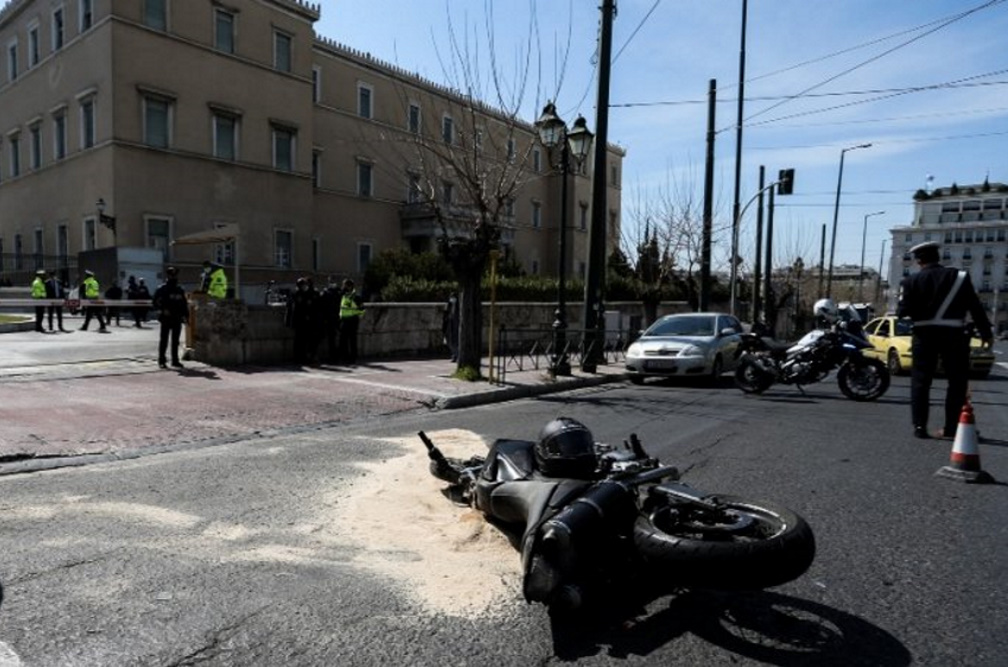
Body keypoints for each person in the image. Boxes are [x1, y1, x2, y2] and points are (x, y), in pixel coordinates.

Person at [897, 241, 993, 439]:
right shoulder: (959, 277)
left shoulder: (911, 282)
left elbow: (902, 312)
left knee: (921, 382)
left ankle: (920, 427)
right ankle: (951, 428)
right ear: (939, 258)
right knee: (957, 382)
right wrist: (986, 334)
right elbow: (975, 307)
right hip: (954, 335)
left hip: (924, 335)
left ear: (918, 261)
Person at [152, 266, 188, 369]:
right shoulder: (162, 289)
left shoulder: (179, 289)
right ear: (168, 275)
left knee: (175, 341)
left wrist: (186, 316)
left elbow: (183, 304)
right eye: (172, 275)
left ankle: (175, 360)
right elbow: (154, 302)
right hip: (166, 318)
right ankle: (162, 361)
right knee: (164, 340)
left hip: (177, 318)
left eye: (175, 275)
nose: (174, 277)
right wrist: (162, 310)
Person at [286, 277, 319, 364]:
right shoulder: (297, 294)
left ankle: (301, 357)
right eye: (304, 285)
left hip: (302, 321)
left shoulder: (297, 293)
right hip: (300, 321)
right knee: (300, 341)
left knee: (302, 341)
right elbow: (299, 308)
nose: (305, 286)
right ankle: (300, 357)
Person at [338, 278, 364, 365]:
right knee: (343, 340)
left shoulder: (356, 297)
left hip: (352, 321)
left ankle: (353, 358)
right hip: (344, 320)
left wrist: (357, 316)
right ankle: (344, 356)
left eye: (345, 285)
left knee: (352, 340)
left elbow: (361, 309)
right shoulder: (343, 295)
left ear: (350, 286)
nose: (343, 287)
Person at [318, 276, 341, 363]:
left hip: (334, 318)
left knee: (334, 339)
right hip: (330, 318)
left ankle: (334, 356)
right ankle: (333, 356)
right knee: (331, 338)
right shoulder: (328, 292)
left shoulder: (336, 292)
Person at [442, 292, 460, 362]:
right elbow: (445, 314)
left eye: (453, 297)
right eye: (451, 297)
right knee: (449, 340)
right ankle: (454, 354)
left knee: (456, 340)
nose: (452, 299)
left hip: (456, 324)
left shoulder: (458, 306)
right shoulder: (448, 305)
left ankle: (456, 355)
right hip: (449, 323)